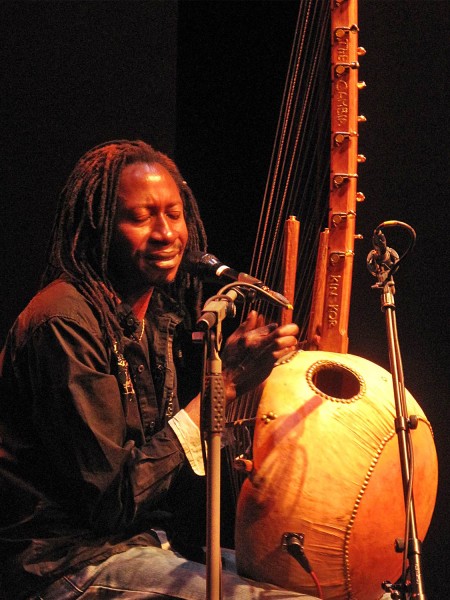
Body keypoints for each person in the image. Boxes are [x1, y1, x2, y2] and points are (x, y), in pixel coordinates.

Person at [0, 140, 319, 599]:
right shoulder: (64, 323)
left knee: (326, 582)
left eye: (174, 214)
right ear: (99, 227)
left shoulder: (156, 318)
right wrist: (221, 386)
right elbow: (113, 500)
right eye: (141, 216)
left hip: (144, 544)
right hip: (65, 563)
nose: (166, 233)